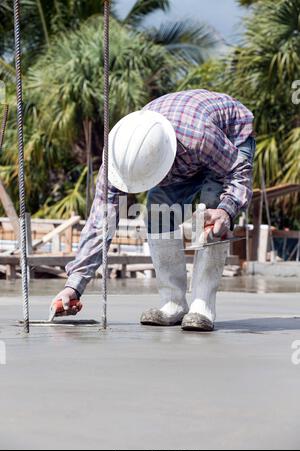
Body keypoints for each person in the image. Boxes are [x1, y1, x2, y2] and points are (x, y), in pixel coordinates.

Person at [51, 89, 255, 331]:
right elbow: (100, 221)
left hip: (230, 136)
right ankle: (173, 302)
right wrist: (74, 285)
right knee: (158, 215)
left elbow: (237, 171)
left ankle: (202, 305)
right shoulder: (118, 156)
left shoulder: (198, 137)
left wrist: (227, 209)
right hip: (185, 153)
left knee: (210, 217)